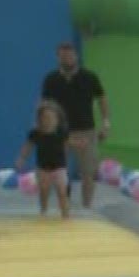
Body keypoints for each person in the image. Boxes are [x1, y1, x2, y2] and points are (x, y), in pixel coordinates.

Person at [39, 42, 109, 209]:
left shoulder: (89, 77)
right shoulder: (51, 79)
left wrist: (106, 123)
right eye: (63, 56)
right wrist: (45, 127)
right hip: (60, 132)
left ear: (76, 57)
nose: (67, 59)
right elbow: (45, 104)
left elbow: (102, 99)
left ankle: (87, 206)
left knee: (88, 172)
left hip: (86, 130)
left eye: (70, 56)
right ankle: (65, 204)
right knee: (59, 171)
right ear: (58, 58)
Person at [17, 100, 70, 219]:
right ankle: (43, 211)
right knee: (44, 191)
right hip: (42, 168)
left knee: (62, 191)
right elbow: (28, 147)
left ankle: (65, 216)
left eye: (52, 118)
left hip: (59, 167)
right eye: (45, 118)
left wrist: (68, 156)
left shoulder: (62, 132)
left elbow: (67, 145)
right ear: (39, 119)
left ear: (57, 119)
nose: (48, 121)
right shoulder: (35, 133)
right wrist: (22, 158)